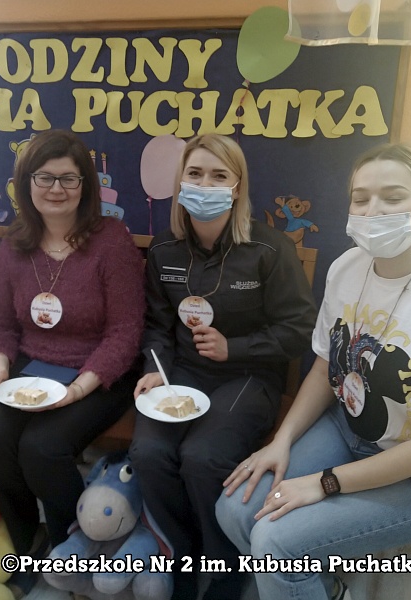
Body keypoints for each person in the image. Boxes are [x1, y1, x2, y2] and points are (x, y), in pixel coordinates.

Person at [217, 143, 411, 600]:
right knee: (234, 509)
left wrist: (324, 483)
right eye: (361, 198)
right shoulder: (347, 267)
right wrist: (281, 442)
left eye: (393, 197)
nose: (373, 211)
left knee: (277, 544)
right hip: (347, 429)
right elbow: (324, 367)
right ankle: (321, 586)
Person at [128, 133, 317, 600]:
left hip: (248, 375)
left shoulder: (269, 249)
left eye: (219, 176)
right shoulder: (165, 249)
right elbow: (156, 325)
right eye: (195, 174)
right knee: (148, 454)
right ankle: (181, 553)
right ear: (180, 181)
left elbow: (299, 330)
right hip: (181, 374)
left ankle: (224, 568)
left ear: (237, 187)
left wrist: (235, 348)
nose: (205, 185)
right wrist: (154, 368)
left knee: (202, 458)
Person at [0, 129, 145, 597]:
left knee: (41, 447)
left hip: (101, 372)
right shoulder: (16, 244)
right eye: (44, 177)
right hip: (32, 369)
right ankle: (24, 539)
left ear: (85, 186)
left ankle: (74, 542)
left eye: (69, 179)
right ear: (26, 183)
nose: (56, 188)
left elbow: (125, 332)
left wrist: (77, 389)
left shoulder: (111, 240)